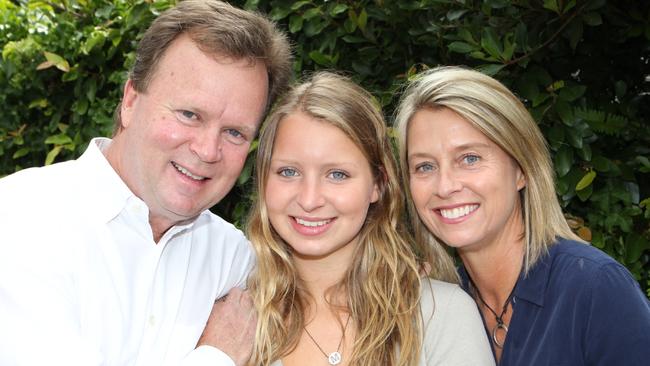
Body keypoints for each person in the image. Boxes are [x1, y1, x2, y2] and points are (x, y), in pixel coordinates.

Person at [0, 1, 292, 365]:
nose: (207, 150)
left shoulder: (233, 260)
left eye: (234, 132)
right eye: (189, 114)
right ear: (130, 101)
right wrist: (218, 355)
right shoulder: (20, 219)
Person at [394, 66, 650, 365]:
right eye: (425, 166)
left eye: (470, 158)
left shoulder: (594, 288)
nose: (445, 186)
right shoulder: (440, 306)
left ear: (521, 170)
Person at [244, 71, 494, 366]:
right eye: (289, 172)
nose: (309, 200)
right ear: (262, 180)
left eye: (337, 174)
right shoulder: (231, 313)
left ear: (377, 184)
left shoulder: (438, 314)